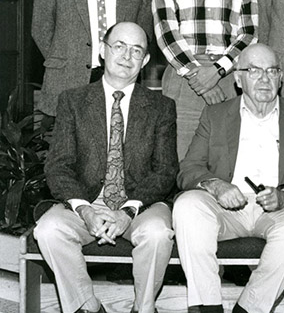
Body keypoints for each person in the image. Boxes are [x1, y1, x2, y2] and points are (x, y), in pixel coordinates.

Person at [34, 22, 178, 313]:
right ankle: (88, 307)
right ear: (103, 51)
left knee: (158, 234)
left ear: (145, 61)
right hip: (87, 203)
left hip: (140, 206)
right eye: (119, 46)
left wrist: (127, 212)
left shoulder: (161, 106)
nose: (127, 56)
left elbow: (165, 171)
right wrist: (85, 209)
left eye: (136, 50)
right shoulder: (73, 101)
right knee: (48, 230)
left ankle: (143, 308)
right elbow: (58, 166)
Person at [173, 43, 284, 313]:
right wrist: (216, 185)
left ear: (281, 78)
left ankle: (250, 308)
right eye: (253, 71)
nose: (264, 78)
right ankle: (207, 306)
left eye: (271, 71)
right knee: (188, 206)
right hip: (225, 209)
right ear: (238, 78)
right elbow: (188, 169)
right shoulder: (215, 115)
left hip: (278, 210)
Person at [153, 0, 257, 158]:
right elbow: (166, 31)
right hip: (183, 78)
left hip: (227, 76)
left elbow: (249, 32)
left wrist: (218, 71)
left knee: (226, 157)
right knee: (181, 157)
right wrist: (197, 76)